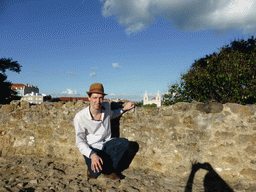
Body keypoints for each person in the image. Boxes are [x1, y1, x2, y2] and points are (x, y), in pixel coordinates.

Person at [74, 83, 135, 179]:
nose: (98, 101)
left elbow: (112, 114)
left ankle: (108, 171)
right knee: (95, 173)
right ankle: (95, 169)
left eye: (100, 98)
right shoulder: (80, 117)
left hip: (106, 144)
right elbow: (80, 142)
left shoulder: (106, 106)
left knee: (124, 143)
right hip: (92, 148)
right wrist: (92, 155)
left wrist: (124, 109)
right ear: (89, 98)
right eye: (94, 97)